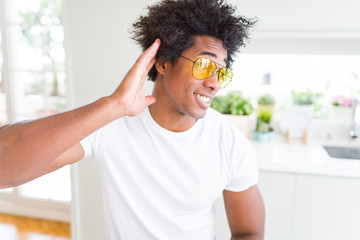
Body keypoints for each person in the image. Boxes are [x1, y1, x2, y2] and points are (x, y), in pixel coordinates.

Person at [0, 0, 265, 239]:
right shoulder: (110, 123)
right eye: (204, 66)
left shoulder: (229, 142)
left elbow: (248, 232)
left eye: (221, 73)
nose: (214, 84)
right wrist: (114, 104)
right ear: (162, 63)